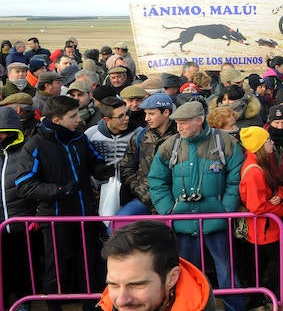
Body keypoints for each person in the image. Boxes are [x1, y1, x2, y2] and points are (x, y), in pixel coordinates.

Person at [16, 96, 113, 311]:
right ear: (57, 120)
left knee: (89, 266)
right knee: (57, 269)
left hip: (85, 215)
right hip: (55, 219)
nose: (79, 120)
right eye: (73, 116)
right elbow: (24, 184)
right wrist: (58, 191)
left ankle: (91, 307)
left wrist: (100, 170)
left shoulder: (79, 138)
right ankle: (54, 307)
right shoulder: (35, 145)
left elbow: (94, 160)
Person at [148, 100, 246, 311]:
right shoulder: (170, 146)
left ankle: (235, 308)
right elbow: (156, 180)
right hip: (183, 222)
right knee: (188, 274)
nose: (179, 128)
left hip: (217, 221)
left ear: (199, 120)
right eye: (177, 123)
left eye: (184, 123)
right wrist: (169, 210)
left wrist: (225, 209)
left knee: (226, 271)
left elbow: (236, 178)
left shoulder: (225, 142)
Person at [97, 220, 216, 311]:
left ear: (172, 278)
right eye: (113, 285)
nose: (121, 301)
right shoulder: (107, 306)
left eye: (136, 285)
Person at [238, 126, 283, 309]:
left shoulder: (263, 163)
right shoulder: (255, 171)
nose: (272, 143)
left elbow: (278, 184)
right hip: (263, 230)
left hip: (266, 228)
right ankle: (262, 300)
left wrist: (280, 196)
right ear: (259, 145)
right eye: (268, 140)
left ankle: (264, 299)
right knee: (271, 267)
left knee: (269, 266)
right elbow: (257, 207)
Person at [0, 106, 38, 308]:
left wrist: (37, 214)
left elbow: (36, 182)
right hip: (1, 225)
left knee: (25, 268)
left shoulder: (26, 151)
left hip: (22, 222)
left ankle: (24, 302)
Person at [119, 94, 177, 216]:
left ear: (166, 112)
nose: (146, 118)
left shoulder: (181, 136)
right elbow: (126, 167)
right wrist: (139, 190)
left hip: (174, 200)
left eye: (151, 114)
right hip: (144, 198)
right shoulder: (139, 137)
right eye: (145, 113)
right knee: (117, 223)